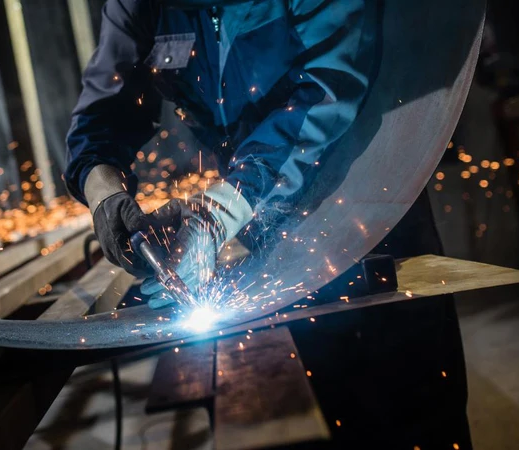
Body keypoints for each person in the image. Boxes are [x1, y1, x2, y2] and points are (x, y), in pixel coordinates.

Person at [66, 1, 472, 448]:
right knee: (343, 409)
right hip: (273, 233)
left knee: (419, 414)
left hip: (372, 207)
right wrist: (103, 189)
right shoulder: (139, 5)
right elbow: (103, 109)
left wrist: (217, 213)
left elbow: (329, 87)